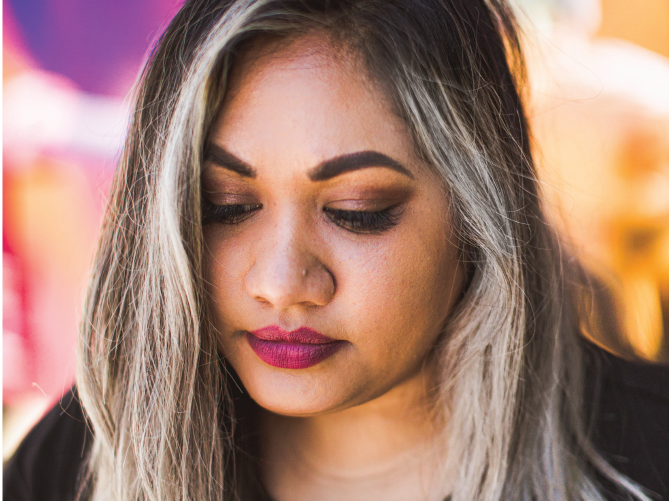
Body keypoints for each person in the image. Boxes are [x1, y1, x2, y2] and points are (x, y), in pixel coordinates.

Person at [3, 1, 667, 500]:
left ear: (478, 211)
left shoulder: (648, 454)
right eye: (224, 207)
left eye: (358, 212)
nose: (281, 281)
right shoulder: (87, 461)